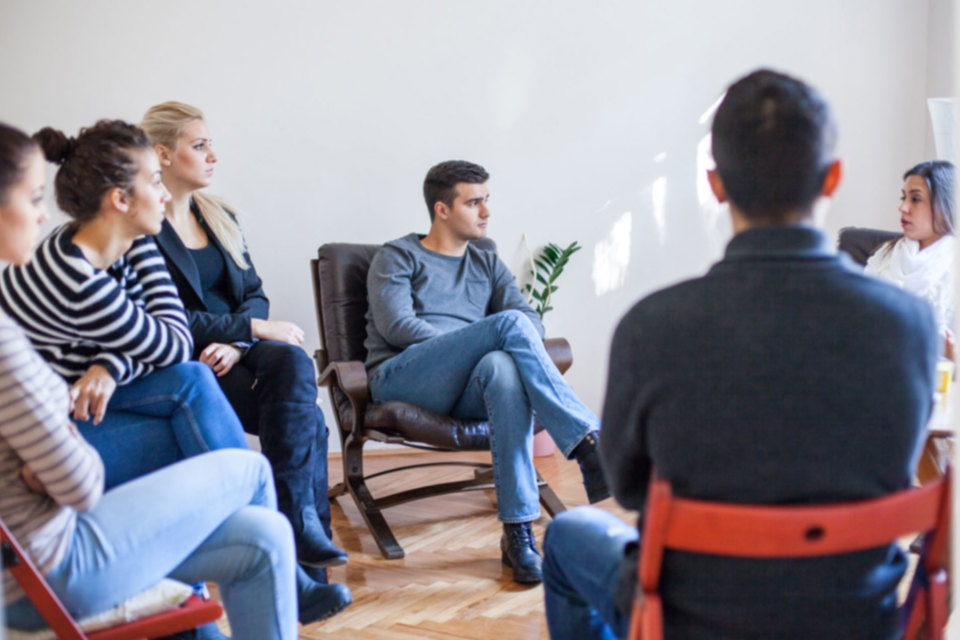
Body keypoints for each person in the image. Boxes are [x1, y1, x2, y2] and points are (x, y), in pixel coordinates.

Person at [541, 69, 938, 640]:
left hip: (690, 617)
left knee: (568, 535)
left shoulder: (651, 327)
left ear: (716, 183)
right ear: (833, 178)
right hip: (852, 619)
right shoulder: (910, 326)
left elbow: (627, 489)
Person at [0, 120, 351, 633]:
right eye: (154, 183)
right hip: (54, 518)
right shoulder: (70, 276)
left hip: (80, 426)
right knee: (215, 429)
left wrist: (109, 361)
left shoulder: (121, 239)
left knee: (199, 397)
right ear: (120, 199)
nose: (164, 193)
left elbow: (155, 331)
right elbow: (168, 341)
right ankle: (291, 562)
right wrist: (114, 362)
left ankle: (278, 572)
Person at [364, 159, 608, 584]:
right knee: (505, 328)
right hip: (404, 377)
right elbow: (397, 325)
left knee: (501, 368)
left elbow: (530, 316)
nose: (486, 212)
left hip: (467, 382)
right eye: (473, 202)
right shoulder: (398, 255)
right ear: (442, 209)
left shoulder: (485, 260)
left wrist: (482, 344)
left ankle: (517, 537)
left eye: (486, 201)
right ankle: (588, 444)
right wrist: (469, 340)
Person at [140, 101, 346, 570]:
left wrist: (238, 342)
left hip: (238, 353)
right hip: (188, 363)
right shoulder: (141, 226)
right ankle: (305, 551)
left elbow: (254, 293)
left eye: (212, 145)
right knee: (310, 422)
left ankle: (293, 535)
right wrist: (248, 328)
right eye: (200, 145)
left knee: (293, 360)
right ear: (163, 155)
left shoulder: (221, 216)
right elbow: (161, 317)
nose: (213, 156)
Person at [864, 161, 955, 354]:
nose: (902, 207)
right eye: (903, 197)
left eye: (915, 199)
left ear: (945, 205)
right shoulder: (885, 254)